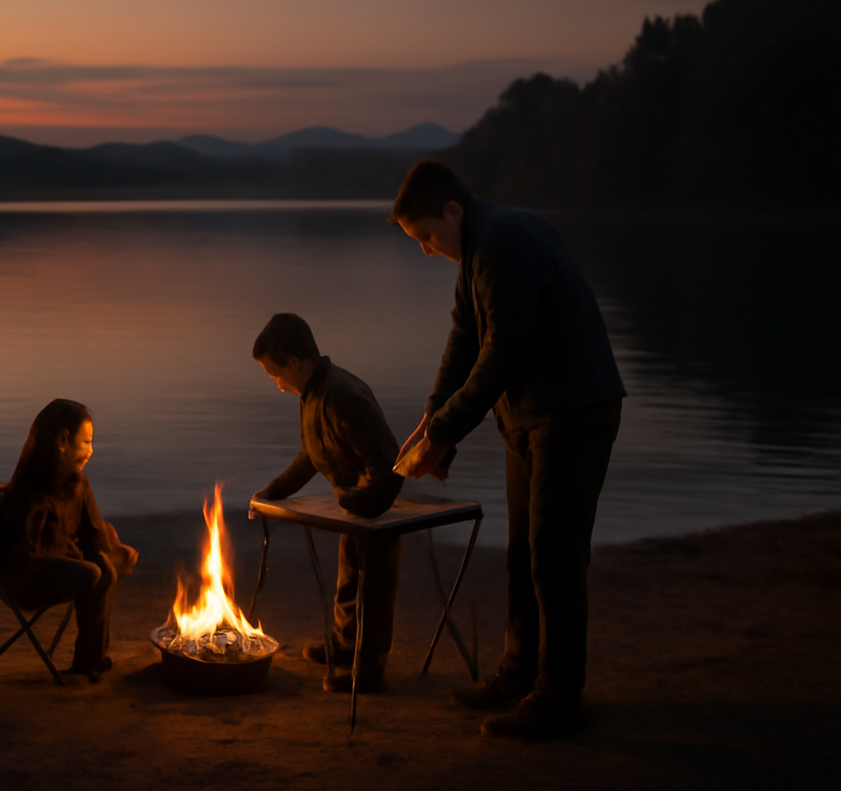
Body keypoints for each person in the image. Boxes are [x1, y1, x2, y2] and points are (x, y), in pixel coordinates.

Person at [390, 159, 624, 739]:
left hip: (573, 411)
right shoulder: (476, 253)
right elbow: (464, 340)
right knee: (523, 553)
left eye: (425, 237)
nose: (425, 250)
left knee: (553, 554)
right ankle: (519, 675)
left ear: (452, 210)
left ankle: (560, 697)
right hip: (529, 420)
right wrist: (429, 423)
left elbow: (502, 354)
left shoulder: (507, 240)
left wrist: (444, 434)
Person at [251, 313, 404, 693]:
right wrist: (273, 492)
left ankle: (368, 667)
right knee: (348, 580)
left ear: (294, 362)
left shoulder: (343, 396)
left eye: (275, 374)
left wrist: (360, 503)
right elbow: (311, 454)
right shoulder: (313, 394)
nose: (277, 385)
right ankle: (342, 645)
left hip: (373, 511)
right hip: (354, 510)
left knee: (371, 585)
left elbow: (387, 462)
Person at [0, 398, 138, 683]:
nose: (91, 451)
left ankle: (90, 662)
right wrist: (77, 560)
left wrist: (115, 549)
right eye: (85, 443)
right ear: (62, 441)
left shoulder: (79, 484)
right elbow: (23, 555)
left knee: (103, 567)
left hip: (61, 567)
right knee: (91, 570)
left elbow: (93, 535)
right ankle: (87, 663)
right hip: (25, 578)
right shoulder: (31, 490)